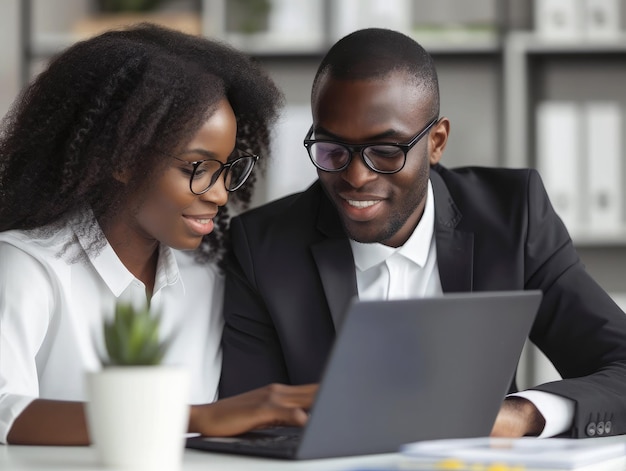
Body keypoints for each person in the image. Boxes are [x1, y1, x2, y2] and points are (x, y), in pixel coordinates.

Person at [219, 28, 626, 439]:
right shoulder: (262, 248)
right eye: (332, 149)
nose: (356, 176)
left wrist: (519, 415)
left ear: (436, 142)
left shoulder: (513, 218)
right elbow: (252, 426)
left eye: (386, 151)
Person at [0, 23, 316, 446]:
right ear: (123, 158)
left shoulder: (209, 277)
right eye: (196, 169)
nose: (220, 194)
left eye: (226, 169)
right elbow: (6, 412)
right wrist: (197, 418)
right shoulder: (27, 268)